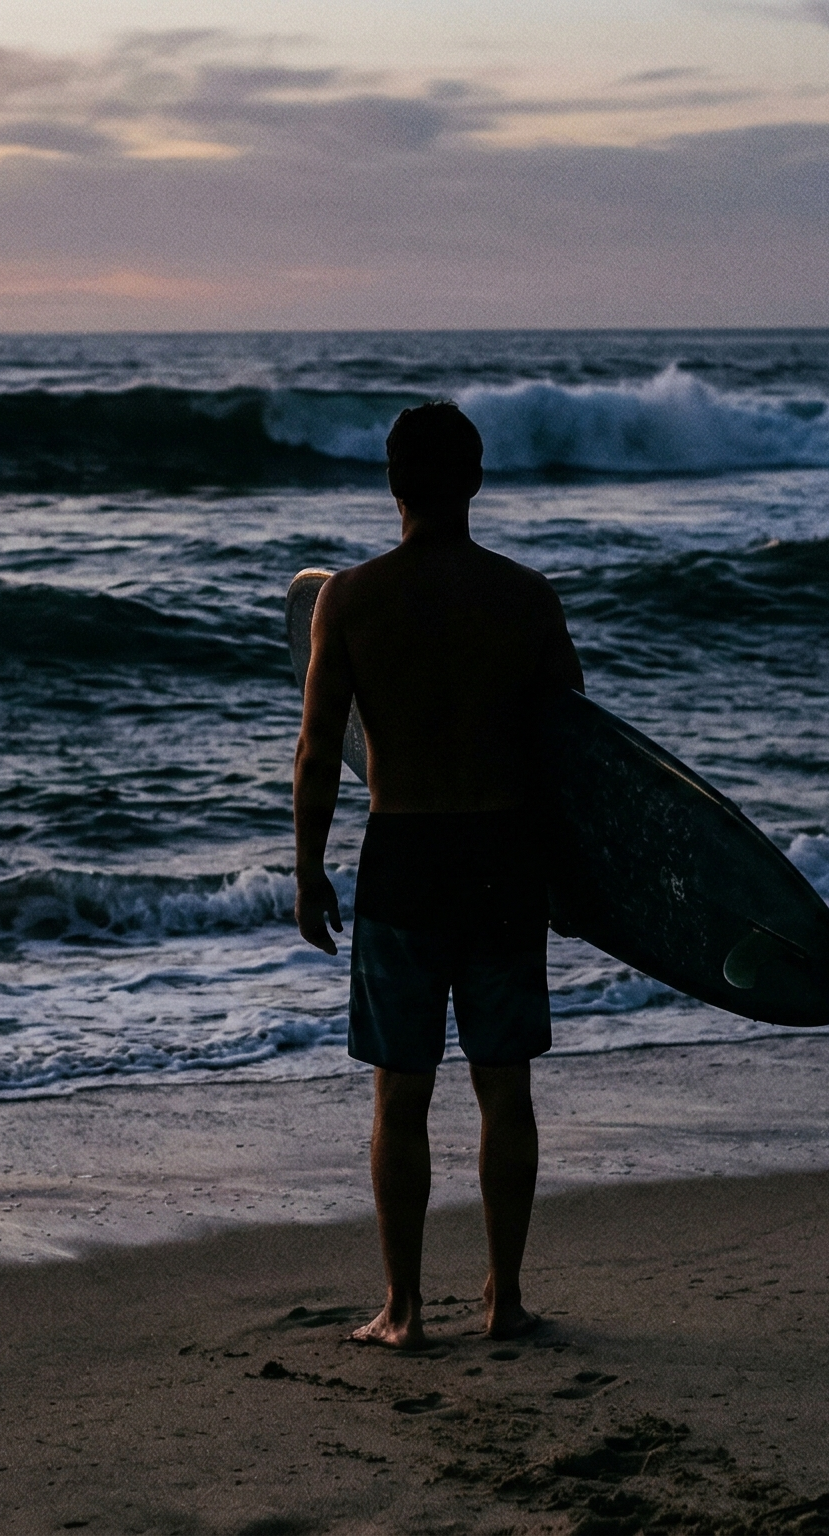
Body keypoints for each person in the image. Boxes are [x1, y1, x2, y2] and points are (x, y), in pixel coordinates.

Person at [293, 401, 584, 1348]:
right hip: (502, 858)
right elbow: (573, 751)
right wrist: (574, 877)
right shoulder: (527, 598)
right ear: (476, 482)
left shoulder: (350, 601)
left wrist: (308, 870)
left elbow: (316, 752)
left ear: (393, 485)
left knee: (401, 1094)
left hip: (404, 858)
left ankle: (405, 1309)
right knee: (506, 1091)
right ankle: (506, 1300)